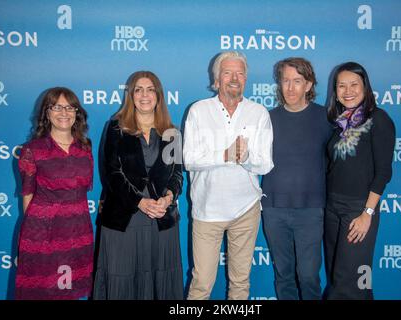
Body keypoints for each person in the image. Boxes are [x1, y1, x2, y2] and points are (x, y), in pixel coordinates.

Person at [183, 51, 274, 300]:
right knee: (201, 283)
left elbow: (265, 164)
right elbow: (189, 159)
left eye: (240, 73)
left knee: (241, 282)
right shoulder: (199, 111)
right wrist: (224, 154)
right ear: (216, 80)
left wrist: (244, 158)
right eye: (227, 73)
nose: (234, 78)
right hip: (207, 211)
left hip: (246, 210)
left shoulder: (259, 113)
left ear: (246, 79)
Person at [93, 71, 183, 300]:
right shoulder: (115, 127)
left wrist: (168, 198)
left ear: (159, 95)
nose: (145, 95)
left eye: (150, 89)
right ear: (130, 96)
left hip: (161, 218)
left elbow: (177, 175)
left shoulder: (172, 133)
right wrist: (140, 202)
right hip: (125, 217)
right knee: (122, 279)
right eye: (138, 89)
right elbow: (111, 173)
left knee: (160, 282)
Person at [261, 57, 333, 300]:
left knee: (309, 275)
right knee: (283, 274)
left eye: (297, 81)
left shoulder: (327, 119)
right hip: (273, 208)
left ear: (309, 85)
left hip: (311, 210)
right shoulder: (265, 119)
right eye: (285, 81)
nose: (290, 88)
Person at [324, 62, 395, 299]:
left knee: (350, 285)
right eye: (341, 86)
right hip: (332, 209)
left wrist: (367, 214)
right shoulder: (339, 123)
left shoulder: (379, 119)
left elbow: (383, 172)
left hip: (358, 210)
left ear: (365, 87)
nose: (348, 91)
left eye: (354, 84)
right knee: (341, 279)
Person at [15, 87, 94, 299]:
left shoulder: (85, 148)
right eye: (57, 107)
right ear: (47, 113)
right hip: (44, 233)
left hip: (78, 231)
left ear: (77, 112)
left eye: (70, 107)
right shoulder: (32, 150)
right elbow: (28, 196)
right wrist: (29, 241)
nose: (64, 112)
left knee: (69, 290)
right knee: (44, 291)